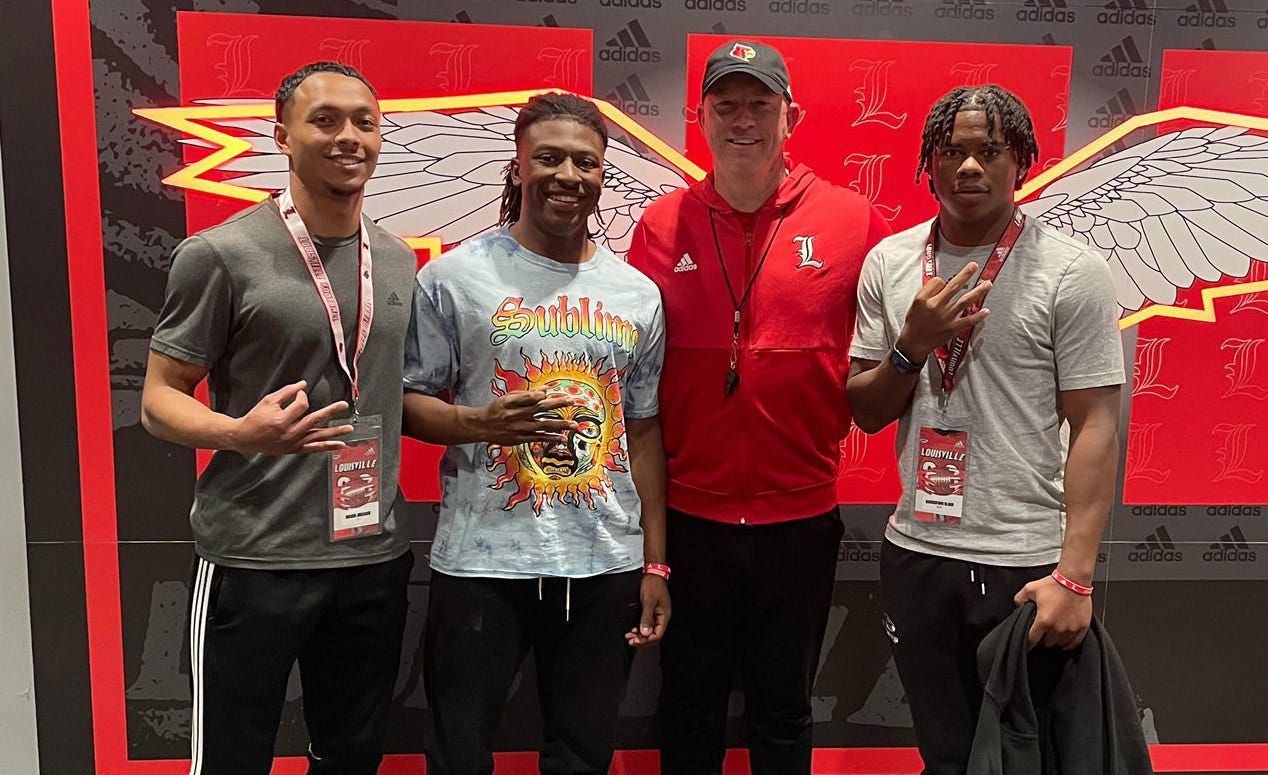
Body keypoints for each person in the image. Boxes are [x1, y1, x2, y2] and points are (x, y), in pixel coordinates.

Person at [140, 61, 417, 775]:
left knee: (350, 758)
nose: (349, 136)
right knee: (232, 760)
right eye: (325, 120)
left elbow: (394, 391)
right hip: (254, 557)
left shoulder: (396, 258)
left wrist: (481, 422)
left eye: (364, 121)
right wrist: (238, 433)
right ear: (282, 137)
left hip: (370, 559)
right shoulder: (220, 254)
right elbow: (159, 398)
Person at [627, 40, 891, 775]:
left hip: (798, 521)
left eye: (760, 104)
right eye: (726, 105)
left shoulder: (852, 221)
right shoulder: (659, 225)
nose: (742, 120)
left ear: (790, 116)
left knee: (783, 712)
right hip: (690, 519)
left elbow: (889, 351)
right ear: (700, 118)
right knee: (688, 708)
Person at [845, 84, 1125, 775]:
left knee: (1030, 758)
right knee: (946, 755)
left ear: (1021, 162)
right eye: (952, 151)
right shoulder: (890, 262)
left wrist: (1076, 577)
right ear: (928, 164)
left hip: (1026, 563)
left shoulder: (1072, 270)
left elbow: (1095, 425)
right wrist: (912, 346)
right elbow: (866, 410)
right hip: (917, 553)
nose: (969, 165)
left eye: (990, 151)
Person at [402, 92, 669, 775]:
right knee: (458, 756)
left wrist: (655, 562)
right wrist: (479, 423)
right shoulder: (453, 277)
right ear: (517, 167)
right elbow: (405, 402)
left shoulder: (638, 294)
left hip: (604, 563)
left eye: (586, 162)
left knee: (582, 756)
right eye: (549, 158)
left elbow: (642, 432)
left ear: (603, 174)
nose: (567, 175)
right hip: (482, 563)